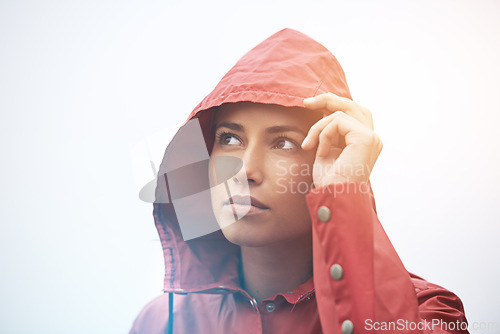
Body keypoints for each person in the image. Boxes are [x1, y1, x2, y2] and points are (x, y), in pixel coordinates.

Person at [129, 28, 468, 334]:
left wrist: (346, 192)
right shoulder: (161, 322)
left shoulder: (430, 313)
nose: (244, 170)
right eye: (229, 139)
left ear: (332, 160)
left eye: (284, 143)